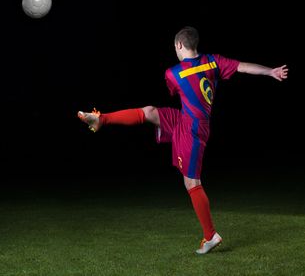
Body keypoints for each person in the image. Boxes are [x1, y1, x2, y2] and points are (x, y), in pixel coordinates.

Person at [77, 26, 288, 254]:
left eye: (174, 47)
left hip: (193, 129)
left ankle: (211, 236)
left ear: (179, 45)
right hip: (186, 119)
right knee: (149, 111)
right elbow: (242, 66)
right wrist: (270, 71)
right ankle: (101, 119)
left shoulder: (172, 73)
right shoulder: (213, 61)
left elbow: (177, 90)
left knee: (192, 183)